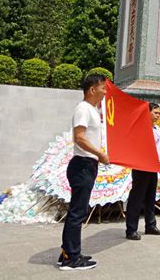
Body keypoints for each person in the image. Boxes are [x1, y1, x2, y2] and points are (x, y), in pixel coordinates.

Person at [58, 74, 110, 271]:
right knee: (77, 212)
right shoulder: (83, 109)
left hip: (88, 165)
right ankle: (71, 258)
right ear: (92, 89)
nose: (105, 92)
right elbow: (79, 138)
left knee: (79, 210)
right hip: (82, 165)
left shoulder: (93, 110)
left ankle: (68, 253)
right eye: (103, 88)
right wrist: (100, 154)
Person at [125, 103, 160, 240]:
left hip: (153, 166)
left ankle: (150, 225)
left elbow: (159, 149)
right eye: (155, 112)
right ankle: (131, 229)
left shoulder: (156, 130)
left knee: (150, 197)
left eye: (159, 113)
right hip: (141, 166)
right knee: (137, 198)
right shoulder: (140, 128)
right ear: (147, 113)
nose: (158, 115)